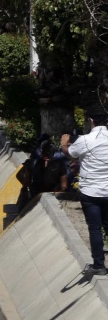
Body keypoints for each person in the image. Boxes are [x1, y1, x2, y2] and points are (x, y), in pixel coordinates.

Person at [61, 109, 108, 275]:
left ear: (90, 120)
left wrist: (64, 143)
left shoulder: (85, 140)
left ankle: (99, 266)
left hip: (91, 192)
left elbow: (69, 153)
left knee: (95, 229)